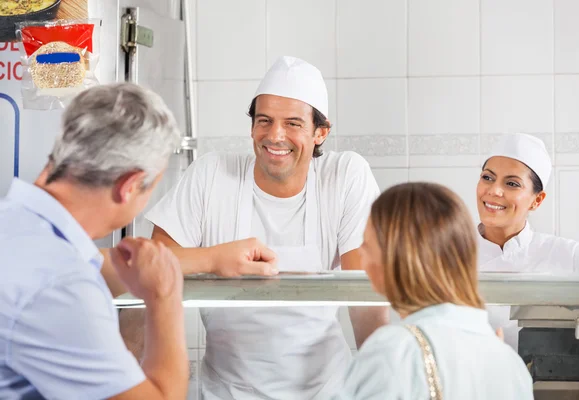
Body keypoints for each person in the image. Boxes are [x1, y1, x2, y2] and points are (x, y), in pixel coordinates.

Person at [131, 55, 389, 399]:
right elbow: (154, 266)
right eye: (263, 121)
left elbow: (364, 296)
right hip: (226, 391)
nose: (274, 135)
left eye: (293, 123)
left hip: (325, 391)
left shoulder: (343, 177)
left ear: (321, 133)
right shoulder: (212, 175)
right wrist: (213, 259)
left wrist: (380, 387)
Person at [0, 83, 190, 399]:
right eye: (151, 187)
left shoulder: (15, 224)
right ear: (130, 185)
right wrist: (164, 296)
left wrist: (212, 259)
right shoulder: (60, 285)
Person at [333, 182, 534, 400]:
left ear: (400, 255)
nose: (361, 253)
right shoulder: (510, 364)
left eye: (368, 242)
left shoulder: (394, 351)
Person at [476, 133, 579, 348]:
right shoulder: (444, 256)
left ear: (537, 200)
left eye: (512, 183)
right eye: (487, 177)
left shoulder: (576, 258)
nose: (494, 190)